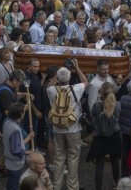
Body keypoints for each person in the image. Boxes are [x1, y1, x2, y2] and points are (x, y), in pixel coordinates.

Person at [46, 62, 88, 190]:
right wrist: (76, 66)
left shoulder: (51, 90)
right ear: (69, 78)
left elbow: (50, 84)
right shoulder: (76, 89)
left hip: (57, 128)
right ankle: (72, 186)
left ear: (57, 78)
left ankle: (57, 186)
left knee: (59, 157)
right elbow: (86, 81)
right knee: (73, 157)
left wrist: (57, 76)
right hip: (73, 128)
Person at [86, 82, 121, 190]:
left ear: (101, 92)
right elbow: (118, 117)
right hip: (114, 135)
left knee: (99, 164)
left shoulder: (97, 105)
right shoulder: (118, 104)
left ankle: (98, 187)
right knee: (114, 161)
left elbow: (92, 117)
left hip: (99, 136)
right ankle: (116, 183)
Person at [3, 102, 35, 190]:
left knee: (10, 185)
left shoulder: (7, 122)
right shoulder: (15, 129)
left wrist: (28, 137)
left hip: (9, 162)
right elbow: (16, 150)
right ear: (21, 114)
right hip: (15, 165)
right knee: (15, 186)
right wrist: (29, 152)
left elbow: (16, 144)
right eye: (24, 111)